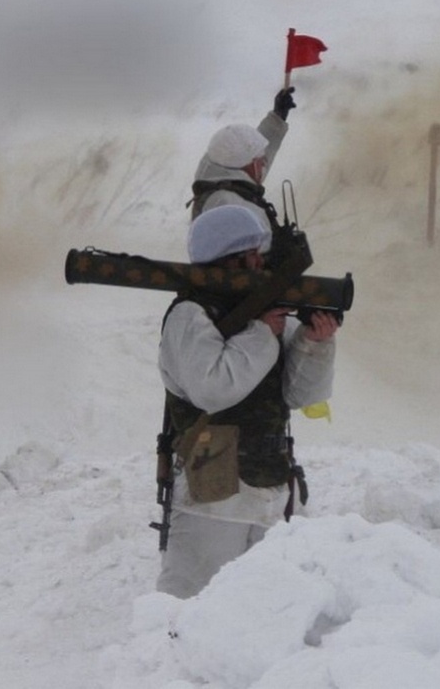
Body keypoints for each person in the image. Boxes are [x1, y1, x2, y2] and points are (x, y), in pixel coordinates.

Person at [156, 204, 339, 599]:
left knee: (271, 607)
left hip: (270, 475)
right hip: (213, 472)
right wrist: (259, 333)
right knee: (193, 600)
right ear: (227, 258)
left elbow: (300, 395)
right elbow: (212, 390)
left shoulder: (260, 309)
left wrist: (315, 343)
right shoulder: (190, 315)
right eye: (250, 255)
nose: (260, 263)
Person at [188, 87, 298, 262]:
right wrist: (275, 249)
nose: (264, 163)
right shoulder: (226, 203)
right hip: (245, 285)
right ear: (244, 165)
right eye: (259, 161)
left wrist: (277, 119)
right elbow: (240, 250)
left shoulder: (227, 177)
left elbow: (255, 153)